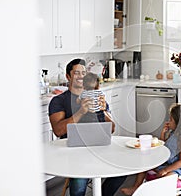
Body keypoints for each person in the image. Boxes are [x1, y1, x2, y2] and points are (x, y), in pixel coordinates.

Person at [48, 58, 126, 196]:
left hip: (99, 146)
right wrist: (80, 112)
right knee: (80, 182)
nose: (81, 76)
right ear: (68, 76)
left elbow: (112, 128)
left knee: (124, 168)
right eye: (76, 73)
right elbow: (58, 130)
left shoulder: (96, 97)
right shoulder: (59, 101)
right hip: (74, 151)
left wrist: (102, 111)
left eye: (83, 73)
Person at [121, 103, 181, 195]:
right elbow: (164, 147)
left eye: (171, 119)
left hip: (176, 169)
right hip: (166, 163)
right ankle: (136, 188)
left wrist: (165, 170)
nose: (168, 121)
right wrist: (163, 133)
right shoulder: (173, 133)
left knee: (164, 179)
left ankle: (151, 191)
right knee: (144, 165)